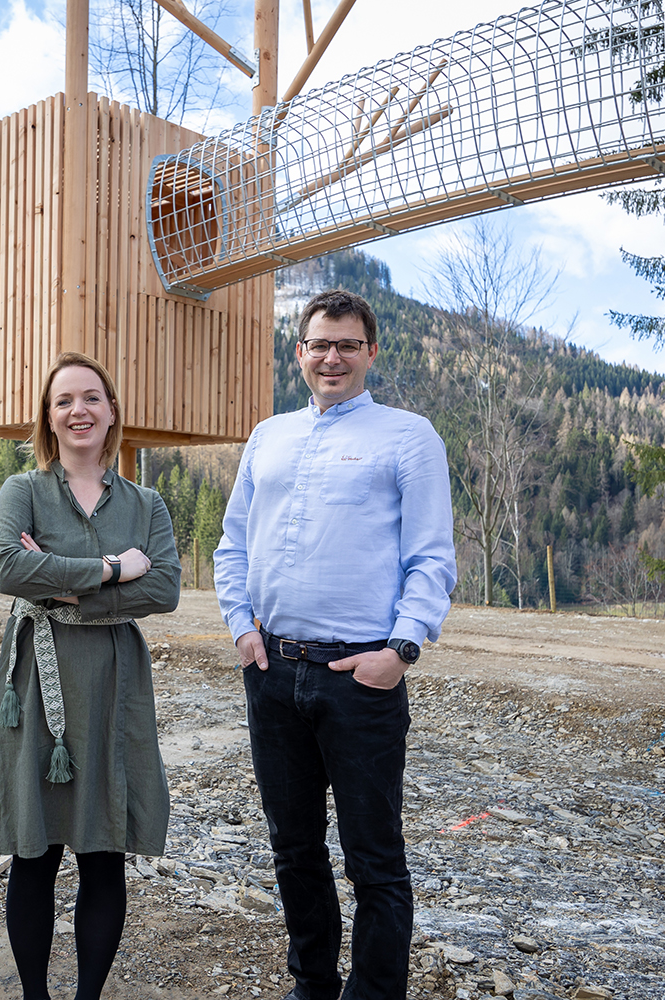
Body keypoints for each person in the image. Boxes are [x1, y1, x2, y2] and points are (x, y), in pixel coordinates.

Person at [213, 289, 456, 1000]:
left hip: (361, 676)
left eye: (348, 344)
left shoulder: (408, 436)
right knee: (293, 848)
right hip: (273, 671)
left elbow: (432, 558)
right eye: (320, 344)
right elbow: (233, 544)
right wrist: (240, 628)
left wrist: (401, 651)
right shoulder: (268, 436)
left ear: (370, 352)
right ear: (300, 353)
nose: (332, 357)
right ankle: (311, 985)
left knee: (373, 857)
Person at [0, 352, 180, 1000]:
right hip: (36, 689)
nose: (78, 411)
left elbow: (168, 588)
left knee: (103, 853)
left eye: (91, 397)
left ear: (112, 410)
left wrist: (62, 581)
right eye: (64, 400)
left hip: (115, 688)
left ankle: (88, 998)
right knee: (33, 856)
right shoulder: (23, 490)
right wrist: (110, 569)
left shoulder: (146, 503)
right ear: (49, 416)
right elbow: (6, 569)